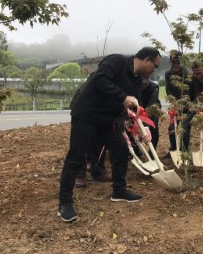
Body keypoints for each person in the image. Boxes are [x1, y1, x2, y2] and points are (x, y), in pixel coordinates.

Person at [57, 47, 161, 222]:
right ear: (147, 60)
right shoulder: (117, 61)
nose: (155, 70)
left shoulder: (136, 80)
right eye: (155, 65)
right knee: (76, 157)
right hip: (86, 116)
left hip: (108, 121)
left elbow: (137, 105)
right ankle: (64, 203)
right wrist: (123, 97)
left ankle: (119, 190)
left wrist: (143, 127)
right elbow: (99, 79)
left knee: (121, 150)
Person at [164, 50, 190, 153]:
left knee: (185, 127)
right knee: (171, 127)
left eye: (177, 62)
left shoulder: (187, 74)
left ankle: (184, 151)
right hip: (175, 104)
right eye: (173, 62)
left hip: (187, 105)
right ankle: (173, 149)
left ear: (182, 62)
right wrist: (174, 103)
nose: (175, 64)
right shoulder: (168, 74)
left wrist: (181, 106)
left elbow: (187, 92)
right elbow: (168, 90)